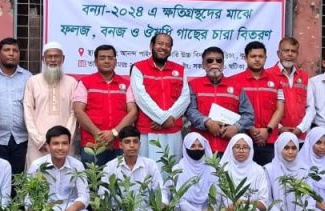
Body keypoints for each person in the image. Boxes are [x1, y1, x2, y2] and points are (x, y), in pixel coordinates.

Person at [131, 33, 191, 165]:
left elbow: (185, 97)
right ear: (152, 46)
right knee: (148, 172)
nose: (163, 47)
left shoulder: (179, 69)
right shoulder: (139, 68)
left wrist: (170, 118)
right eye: (160, 43)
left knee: (171, 172)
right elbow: (141, 97)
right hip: (149, 130)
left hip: (173, 129)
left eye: (167, 45)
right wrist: (163, 118)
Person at [73, 44, 138, 166]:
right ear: (96, 61)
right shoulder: (85, 83)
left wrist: (114, 133)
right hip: (92, 144)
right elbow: (78, 111)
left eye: (110, 58)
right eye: (102, 58)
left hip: (119, 143)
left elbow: (133, 112)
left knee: (119, 182)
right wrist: (99, 135)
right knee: (93, 182)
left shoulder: (126, 84)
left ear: (115, 61)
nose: (107, 61)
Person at [99, 125, 164, 211]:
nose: (132, 145)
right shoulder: (111, 166)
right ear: (120, 145)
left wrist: (159, 208)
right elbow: (103, 193)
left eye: (135, 141)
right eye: (127, 142)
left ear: (140, 144)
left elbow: (160, 190)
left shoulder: (150, 164)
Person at [186, 46, 254, 154]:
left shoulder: (237, 87)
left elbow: (249, 115)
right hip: (201, 147)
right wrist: (207, 122)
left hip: (230, 148)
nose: (214, 63)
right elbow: (190, 111)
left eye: (218, 60)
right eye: (209, 60)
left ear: (223, 64)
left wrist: (236, 127)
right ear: (203, 65)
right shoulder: (193, 85)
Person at [24, 42, 80, 166]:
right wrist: (40, 141)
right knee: (37, 179)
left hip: (64, 144)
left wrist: (66, 139)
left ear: (63, 59)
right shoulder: (33, 81)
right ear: (43, 59)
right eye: (49, 56)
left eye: (57, 56)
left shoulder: (72, 83)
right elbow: (28, 112)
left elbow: (74, 113)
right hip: (38, 144)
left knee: (65, 177)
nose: (53, 59)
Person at [173, 133, 225, 211]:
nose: (196, 149)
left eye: (199, 146)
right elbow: (179, 200)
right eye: (193, 146)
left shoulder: (212, 169)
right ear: (186, 148)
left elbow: (217, 194)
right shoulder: (178, 169)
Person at [231, 41, 285, 165]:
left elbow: (280, 109)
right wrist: (250, 128)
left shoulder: (276, 81)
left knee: (267, 178)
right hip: (243, 140)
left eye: (260, 56)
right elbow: (233, 109)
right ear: (245, 58)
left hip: (269, 140)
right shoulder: (234, 81)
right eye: (253, 56)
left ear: (266, 58)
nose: (257, 59)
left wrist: (268, 130)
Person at [219, 134, 271, 211]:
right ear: (231, 149)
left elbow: (264, 204)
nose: (241, 150)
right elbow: (217, 200)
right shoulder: (223, 170)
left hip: (251, 210)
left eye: (245, 147)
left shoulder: (258, 170)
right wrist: (227, 210)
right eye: (237, 147)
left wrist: (243, 204)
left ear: (250, 149)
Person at [0, 37, 31, 175]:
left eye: (15, 50)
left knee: (18, 180)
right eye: (7, 50)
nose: (11, 53)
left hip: (21, 138)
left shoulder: (28, 77)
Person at [272, 37, 310, 140]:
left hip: (300, 137)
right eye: (286, 51)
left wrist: (300, 128)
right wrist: (279, 127)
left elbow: (310, 107)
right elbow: (265, 108)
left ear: (297, 54)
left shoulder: (305, 77)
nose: (290, 54)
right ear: (278, 53)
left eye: (293, 51)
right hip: (276, 136)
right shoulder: (268, 75)